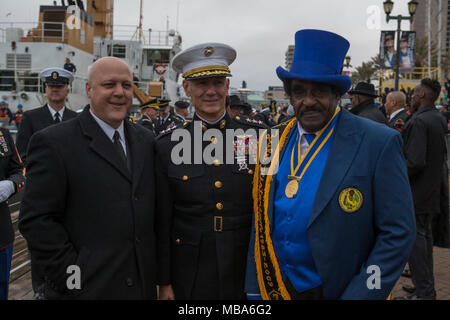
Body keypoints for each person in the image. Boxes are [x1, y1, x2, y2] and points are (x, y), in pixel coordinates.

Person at [245, 29, 416, 300]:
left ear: (337, 95)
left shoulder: (378, 142)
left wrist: (362, 294)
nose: (309, 101)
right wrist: (255, 289)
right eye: (299, 91)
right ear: (289, 96)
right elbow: (261, 222)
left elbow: (398, 234)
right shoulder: (270, 141)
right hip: (276, 288)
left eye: (320, 91)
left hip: (341, 291)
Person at [18, 57, 159, 299]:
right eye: (109, 85)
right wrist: (73, 278)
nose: (119, 92)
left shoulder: (146, 140)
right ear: (89, 90)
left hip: (139, 287)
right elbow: (37, 220)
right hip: (86, 290)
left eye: (126, 86)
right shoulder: (54, 142)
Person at [156, 42, 267, 300]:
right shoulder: (167, 144)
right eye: (201, 84)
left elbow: (269, 206)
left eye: (218, 83)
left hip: (245, 263)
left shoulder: (255, 137)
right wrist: (164, 281)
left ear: (228, 86)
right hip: (190, 266)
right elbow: (162, 220)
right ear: (186, 88)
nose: (211, 91)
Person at [396, 79, 448, 300]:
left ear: (424, 95)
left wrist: (395, 178)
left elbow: (415, 162)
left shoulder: (420, 121)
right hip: (431, 192)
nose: (412, 96)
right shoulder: (436, 118)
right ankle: (424, 288)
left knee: (416, 245)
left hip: (416, 194)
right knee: (424, 243)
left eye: (416, 93)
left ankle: (424, 292)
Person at [16, 67, 78, 163]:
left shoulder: (76, 119)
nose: (55, 89)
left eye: (59, 86)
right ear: (46, 90)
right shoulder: (30, 118)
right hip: (39, 174)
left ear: (67, 91)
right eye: (51, 86)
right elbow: (22, 153)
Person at [0, 127, 25, 300]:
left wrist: (11, 185)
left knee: (2, 285)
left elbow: (18, 171)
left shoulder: (3, 134)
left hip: (1, 231)